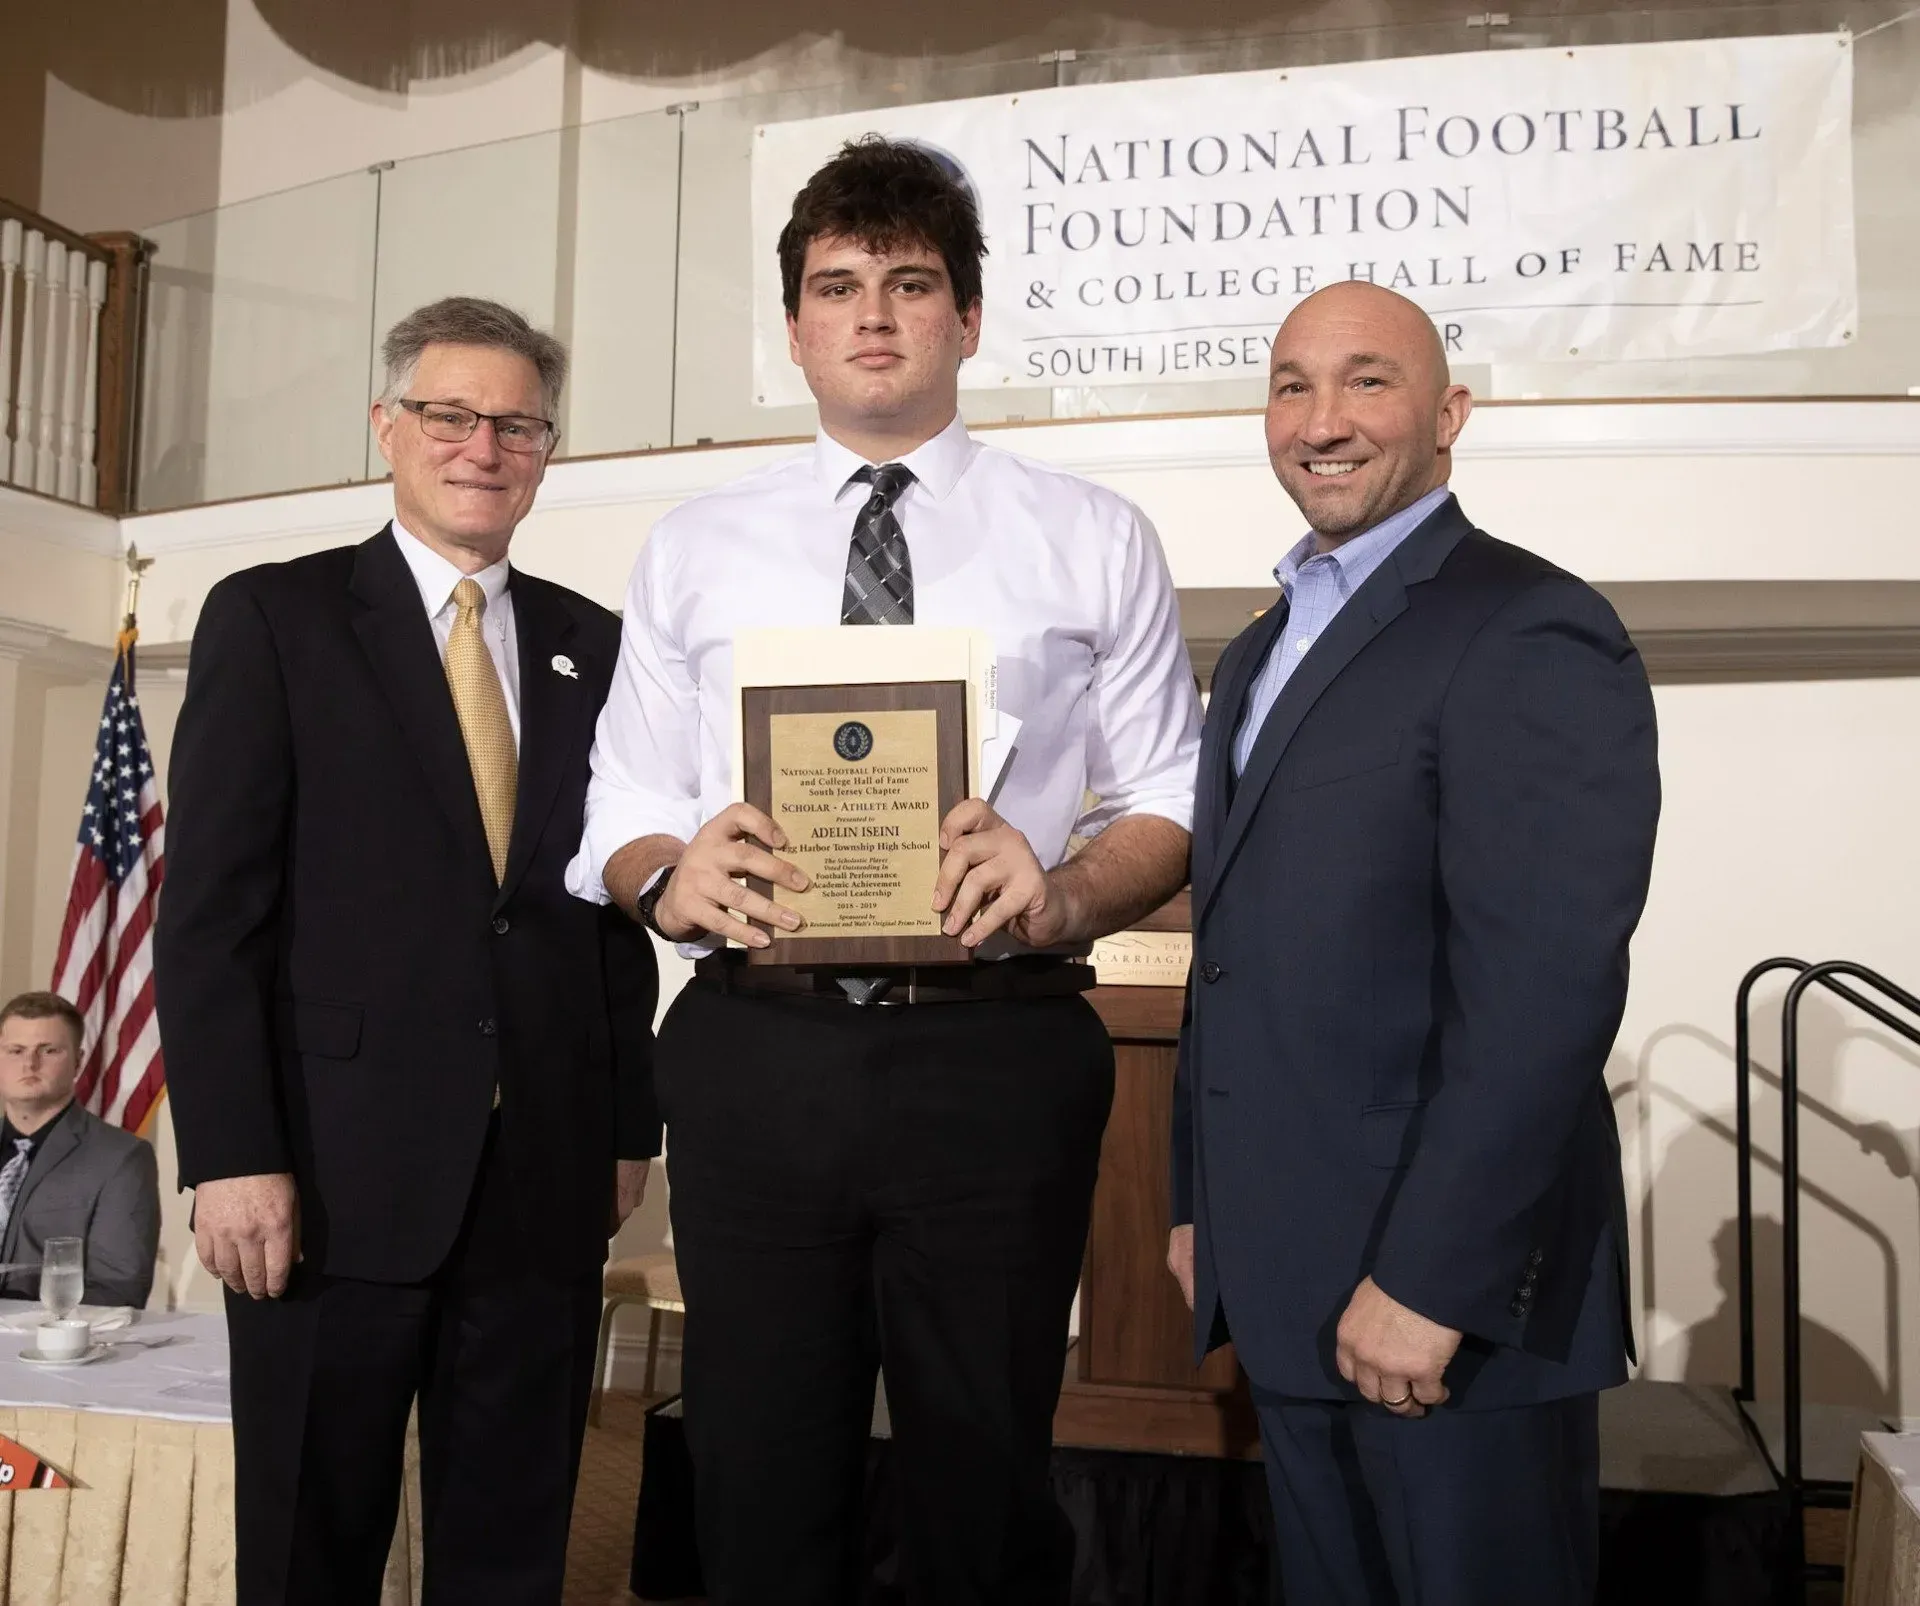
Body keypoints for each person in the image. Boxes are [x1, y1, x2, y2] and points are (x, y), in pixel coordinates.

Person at [569, 137, 1200, 1605]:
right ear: (794, 326)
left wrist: (1064, 888)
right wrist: (670, 877)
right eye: (836, 285)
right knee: (757, 1469)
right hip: (756, 1050)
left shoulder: (1092, 536)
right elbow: (622, 803)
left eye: (910, 284)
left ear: (967, 319)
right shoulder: (695, 545)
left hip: (994, 1045)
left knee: (983, 1481)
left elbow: (1172, 796)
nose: (872, 314)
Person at [154, 297, 660, 1606]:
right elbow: (209, 919)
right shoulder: (275, 621)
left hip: (539, 1188)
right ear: (389, 428)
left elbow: (600, 915)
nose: (481, 444)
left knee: (509, 1557)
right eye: (449, 414)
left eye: (516, 422)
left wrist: (624, 1132)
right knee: (309, 1552)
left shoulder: (593, 647)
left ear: (546, 451)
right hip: (322, 1185)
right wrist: (229, 1154)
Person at [1168, 281, 1660, 1606]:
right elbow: (1233, 951)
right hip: (1284, 1274)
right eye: (1290, 384)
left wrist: (1432, 1276)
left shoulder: (1528, 625)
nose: (1321, 419)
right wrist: (1196, 1195)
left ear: (1448, 414)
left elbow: (1544, 991)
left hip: (1446, 1300)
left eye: (1366, 380)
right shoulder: (1265, 644)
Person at [0, 991, 159, 1307]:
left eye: (49, 1050)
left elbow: (119, 1290)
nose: (29, 1063)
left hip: (47, 1345)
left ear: (78, 1061)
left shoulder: (121, 1158)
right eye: (15, 1050)